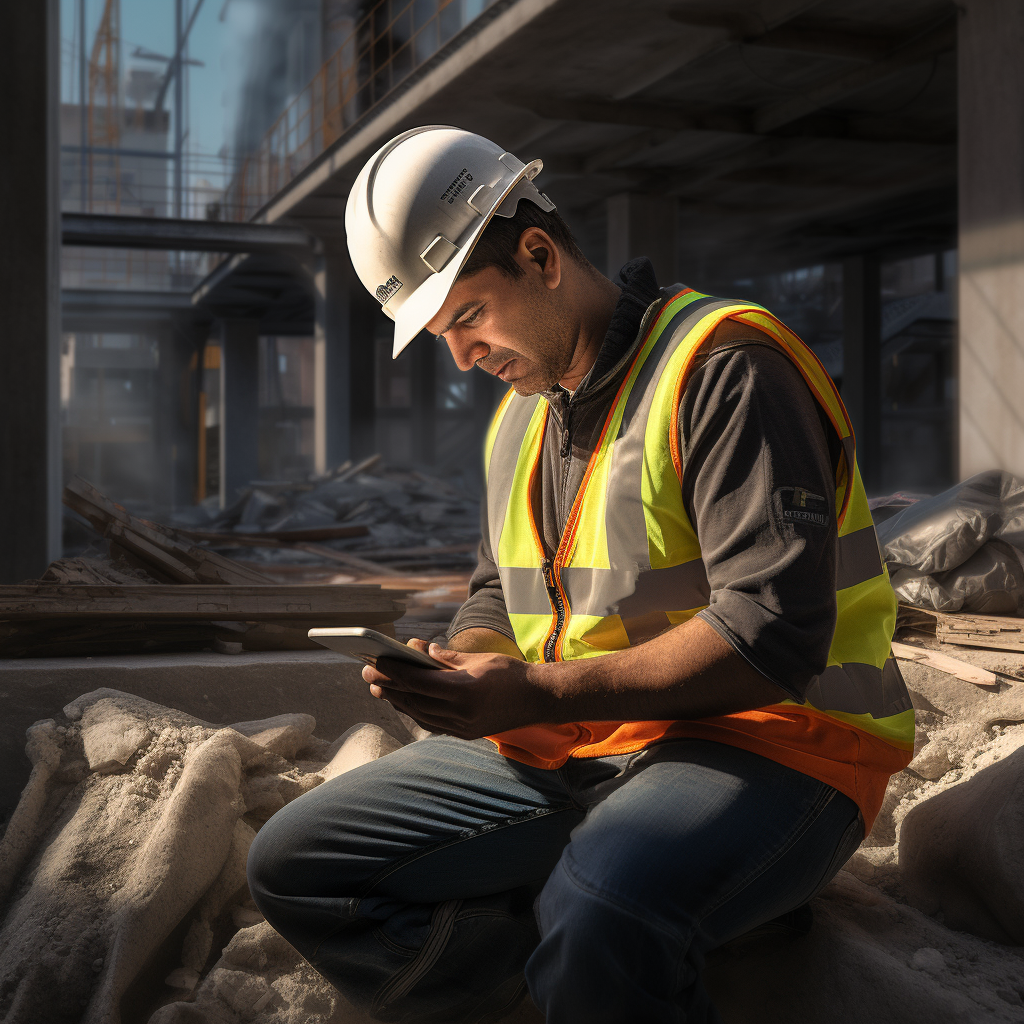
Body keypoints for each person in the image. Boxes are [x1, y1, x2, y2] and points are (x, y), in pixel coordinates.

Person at [247, 127, 914, 1024]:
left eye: (469, 317)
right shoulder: (521, 420)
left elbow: (773, 634)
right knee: (295, 865)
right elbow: (498, 591)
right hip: (585, 741)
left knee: (598, 907)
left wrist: (536, 694)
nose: (462, 356)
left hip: (776, 746)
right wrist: (466, 667)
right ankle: (576, 987)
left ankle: (618, 946)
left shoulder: (723, 370)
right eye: (443, 332)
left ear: (538, 255)